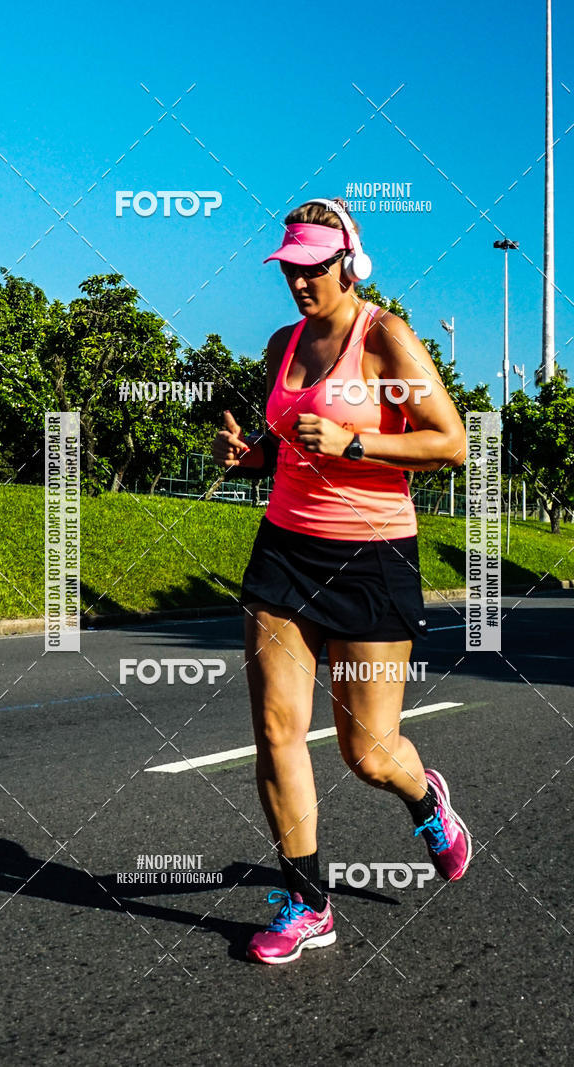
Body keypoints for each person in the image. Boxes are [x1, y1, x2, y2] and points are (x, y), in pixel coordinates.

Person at [212, 197, 471, 966]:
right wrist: (251, 457)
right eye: (289, 269)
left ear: (349, 265)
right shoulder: (281, 345)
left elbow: (451, 442)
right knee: (276, 730)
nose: (299, 282)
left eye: (312, 268)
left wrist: (355, 441)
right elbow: (286, 441)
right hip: (285, 552)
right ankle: (307, 901)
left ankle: (424, 797)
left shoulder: (385, 338)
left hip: (372, 558)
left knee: (368, 753)